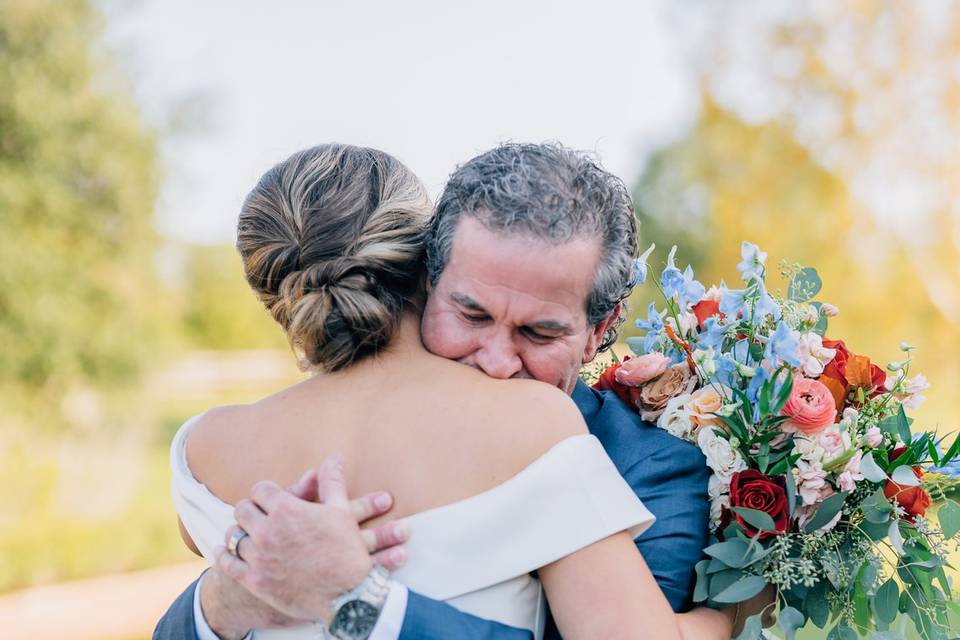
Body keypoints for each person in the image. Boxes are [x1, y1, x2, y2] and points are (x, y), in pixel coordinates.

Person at [155, 143, 730, 640]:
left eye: (539, 331)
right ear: (425, 274)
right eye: (470, 313)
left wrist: (354, 599)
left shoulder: (203, 449)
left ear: (600, 333)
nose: (498, 364)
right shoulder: (538, 424)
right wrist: (220, 603)